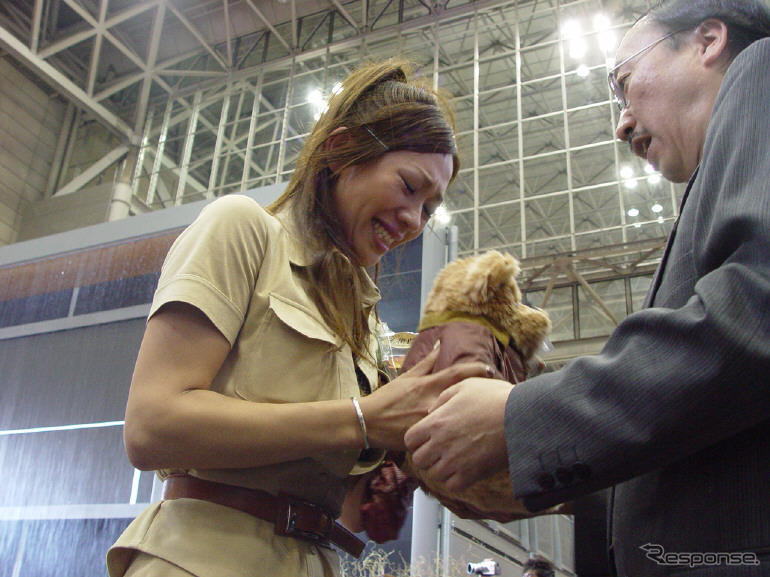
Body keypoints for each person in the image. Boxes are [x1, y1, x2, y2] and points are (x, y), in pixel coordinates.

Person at [404, 1, 770, 576]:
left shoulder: (762, 72)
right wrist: (558, 478)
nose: (621, 122)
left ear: (708, 41)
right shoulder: (714, 179)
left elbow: (755, 313)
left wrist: (520, 420)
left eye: (625, 85)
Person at [106, 59, 490, 577]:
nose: (413, 222)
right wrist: (361, 419)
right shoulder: (242, 230)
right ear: (339, 151)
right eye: (408, 187)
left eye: (429, 207)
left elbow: (347, 504)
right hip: (202, 559)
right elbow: (151, 428)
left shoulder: (364, 321)